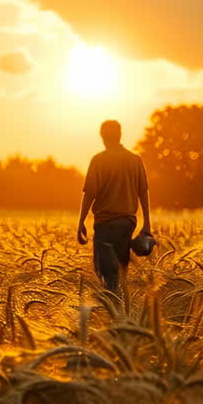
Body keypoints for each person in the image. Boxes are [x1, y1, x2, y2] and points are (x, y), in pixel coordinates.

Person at [77, 120, 151, 294]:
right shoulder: (135, 160)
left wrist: (80, 222)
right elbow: (143, 193)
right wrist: (147, 223)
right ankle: (119, 312)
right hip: (127, 224)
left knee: (105, 273)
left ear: (102, 136)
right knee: (120, 273)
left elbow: (89, 194)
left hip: (105, 225)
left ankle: (111, 312)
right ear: (120, 135)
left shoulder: (98, 160)